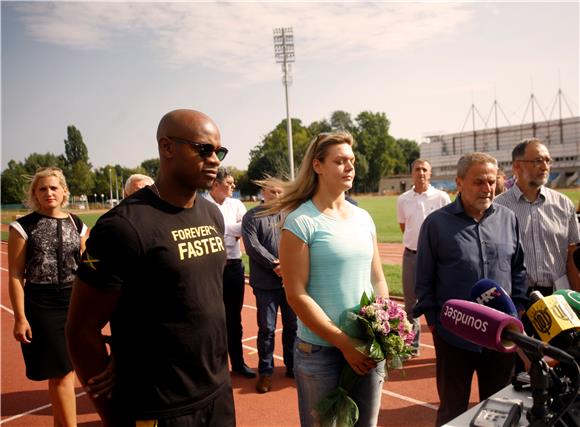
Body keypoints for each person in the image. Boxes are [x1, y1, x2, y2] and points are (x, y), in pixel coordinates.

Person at [66, 109, 236, 426]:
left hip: (217, 394)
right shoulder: (124, 227)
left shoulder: (212, 214)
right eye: (204, 149)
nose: (215, 159)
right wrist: (112, 415)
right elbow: (80, 330)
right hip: (157, 406)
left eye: (219, 151)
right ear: (167, 147)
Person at [274, 131, 389, 427]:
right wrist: (343, 343)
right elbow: (296, 294)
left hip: (366, 347)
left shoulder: (363, 218)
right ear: (317, 165)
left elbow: (377, 279)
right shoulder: (301, 222)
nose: (349, 167)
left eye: (351, 161)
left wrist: (383, 327)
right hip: (320, 353)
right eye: (339, 161)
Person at [413, 152, 528, 426]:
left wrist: (518, 312)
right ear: (459, 182)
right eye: (478, 182)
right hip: (454, 337)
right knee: (453, 412)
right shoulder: (436, 224)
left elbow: (518, 269)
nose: (487, 189)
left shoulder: (508, 219)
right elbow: (424, 281)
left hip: (502, 338)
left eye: (491, 181)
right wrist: (438, 326)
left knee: (500, 410)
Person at [8, 166, 88, 427]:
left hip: (74, 301)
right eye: (42, 188)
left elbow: (88, 265)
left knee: (65, 373)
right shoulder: (23, 227)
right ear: (35, 193)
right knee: (63, 373)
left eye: (54, 187)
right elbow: (16, 275)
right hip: (41, 305)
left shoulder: (77, 223)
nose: (49, 192)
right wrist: (20, 317)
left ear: (64, 191)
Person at [495, 138, 580, 293]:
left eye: (548, 161)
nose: (545, 166)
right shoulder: (497, 207)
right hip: (518, 297)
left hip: (559, 295)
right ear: (517, 166)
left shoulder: (564, 204)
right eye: (538, 161)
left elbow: (572, 255)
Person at [241, 178, 297, 393]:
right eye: (272, 192)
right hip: (265, 284)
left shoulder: (291, 214)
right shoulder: (251, 216)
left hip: (290, 280)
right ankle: (265, 372)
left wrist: (288, 265)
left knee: (292, 326)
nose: (277, 196)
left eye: (281, 192)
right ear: (263, 192)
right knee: (267, 328)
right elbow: (252, 246)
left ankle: (292, 366)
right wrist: (275, 264)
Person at [396, 159, 450, 357]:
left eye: (424, 170)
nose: (420, 173)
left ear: (430, 173)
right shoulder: (403, 199)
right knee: (411, 304)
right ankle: (412, 346)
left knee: (442, 302)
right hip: (411, 255)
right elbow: (404, 227)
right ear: (412, 173)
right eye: (417, 169)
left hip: (437, 257)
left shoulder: (441, 197)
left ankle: (446, 346)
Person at [205, 168, 255, 378]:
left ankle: (238, 363)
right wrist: (230, 231)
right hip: (209, 269)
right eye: (229, 183)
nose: (233, 186)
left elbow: (245, 227)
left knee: (234, 319)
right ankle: (215, 368)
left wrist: (221, 230)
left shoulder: (236, 204)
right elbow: (206, 232)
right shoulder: (202, 205)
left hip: (233, 266)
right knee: (210, 319)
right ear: (215, 184)